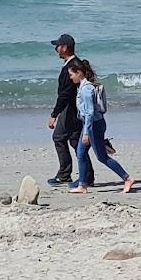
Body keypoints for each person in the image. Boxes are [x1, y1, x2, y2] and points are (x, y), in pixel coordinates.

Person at [69, 60, 133, 195]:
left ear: (79, 73)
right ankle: (82, 185)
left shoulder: (86, 89)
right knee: (81, 153)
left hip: (93, 125)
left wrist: (86, 132)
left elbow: (90, 112)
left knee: (102, 157)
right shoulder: (83, 86)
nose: (70, 77)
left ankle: (127, 178)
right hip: (91, 124)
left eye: (71, 74)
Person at [46, 34, 91, 188]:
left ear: (64, 47)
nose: (56, 49)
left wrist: (54, 114)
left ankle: (75, 176)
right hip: (71, 109)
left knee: (63, 138)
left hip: (71, 110)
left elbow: (66, 94)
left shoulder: (73, 65)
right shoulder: (71, 64)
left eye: (57, 46)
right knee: (73, 141)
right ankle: (77, 175)